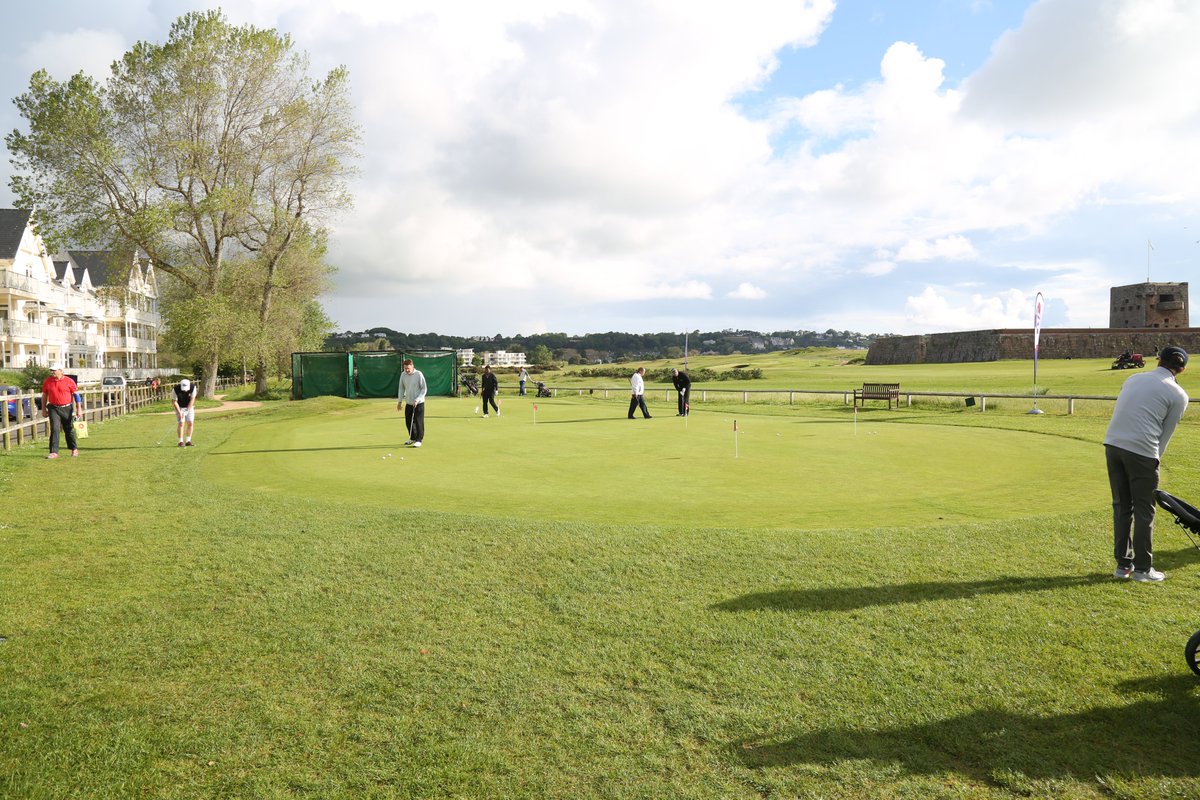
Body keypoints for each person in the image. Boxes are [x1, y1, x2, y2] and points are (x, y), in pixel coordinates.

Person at [1104, 345, 1189, 582]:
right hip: (1142, 451)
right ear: (1181, 370)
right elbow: (1165, 435)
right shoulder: (1179, 395)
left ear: (1158, 360)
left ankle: (1123, 566)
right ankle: (1142, 569)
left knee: (1122, 506)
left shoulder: (1133, 378)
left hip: (1112, 444)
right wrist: (1154, 461)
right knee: (1144, 510)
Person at [40, 364, 81, 459]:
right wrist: (43, 409)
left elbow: (76, 395)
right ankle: (54, 452)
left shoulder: (69, 381)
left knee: (68, 429)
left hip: (66, 408)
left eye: (54, 370)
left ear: (61, 371)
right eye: (51, 370)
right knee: (54, 429)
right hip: (53, 408)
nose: (52, 372)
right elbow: (44, 396)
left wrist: (79, 409)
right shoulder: (48, 381)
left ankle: (74, 448)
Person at [397, 358, 427, 447]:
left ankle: (419, 440)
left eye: (408, 368)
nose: (406, 370)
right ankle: (413, 438)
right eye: (405, 368)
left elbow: (424, 389)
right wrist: (399, 401)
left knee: (418, 421)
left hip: (419, 403)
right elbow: (401, 388)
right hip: (409, 402)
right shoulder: (403, 375)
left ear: (412, 366)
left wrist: (417, 399)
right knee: (408, 421)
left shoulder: (418, 374)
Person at [173, 378, 198, 446]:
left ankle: (188, 441)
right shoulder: (175, 389)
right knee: (181, 423)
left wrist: (187, 410)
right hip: (179, 407)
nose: (185, 390)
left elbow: (192, 400)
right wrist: (180, 412)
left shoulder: (193, 387)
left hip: (189, 407)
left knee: (190, 423)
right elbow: (174, 402)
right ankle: (180, 442)